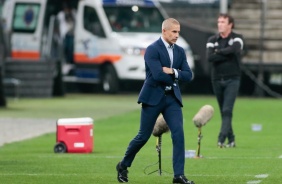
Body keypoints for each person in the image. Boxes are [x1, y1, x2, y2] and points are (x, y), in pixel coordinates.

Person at [116, 18, 194, 184]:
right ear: (164, 31)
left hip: (172, 98)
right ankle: (123, 165)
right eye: (174, 31)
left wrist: (172, 71)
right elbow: (158, 75)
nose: (177, 35)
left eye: (178, 32)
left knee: (179, 134)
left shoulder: (180, 51)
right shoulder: (152, 49)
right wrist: (176, 76)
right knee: (143, 136)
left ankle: (178, 175)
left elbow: (189, 75)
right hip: (153, 98)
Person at [206, 13, 244, 148]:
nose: (220, 24)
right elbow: (210, 58)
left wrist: (218, 52)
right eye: (219, 22)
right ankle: (232, 139)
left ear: (230, 25)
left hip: (232, 79)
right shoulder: (212, 39)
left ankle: (221, 139)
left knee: (227, 110)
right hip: (216, 79)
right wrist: (226, 53)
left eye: (223, 22)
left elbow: (235, 50)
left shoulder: (237, 38)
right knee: (223, 111)